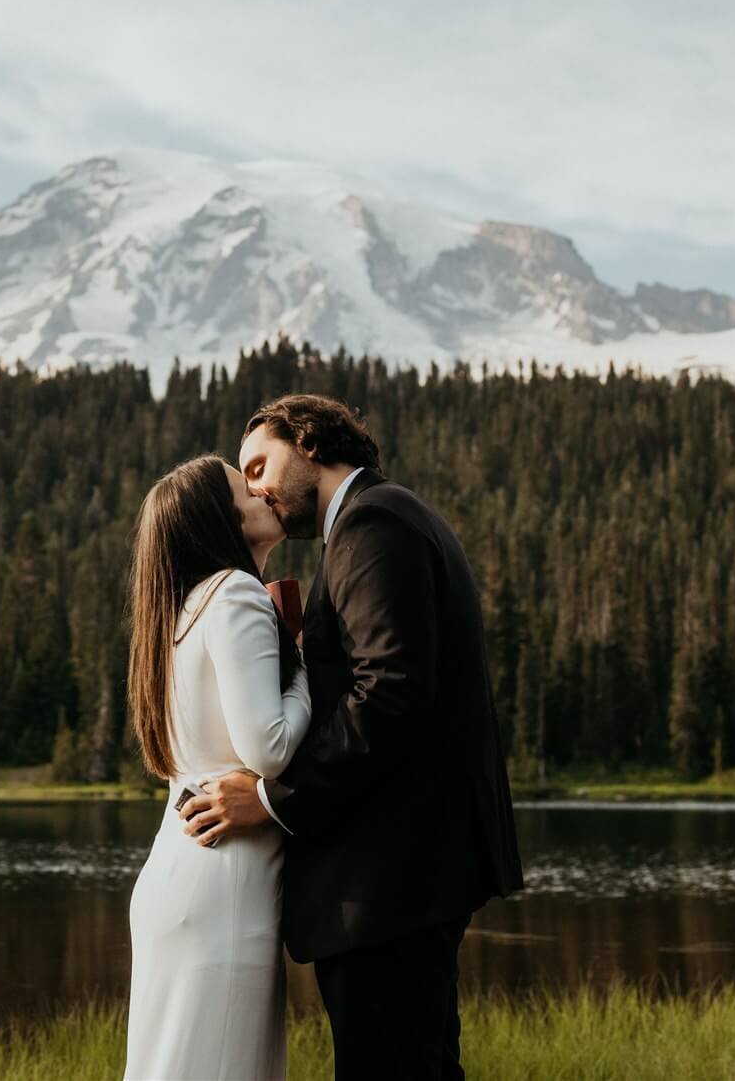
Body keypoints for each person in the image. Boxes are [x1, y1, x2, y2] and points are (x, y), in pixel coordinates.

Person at [180, 394, 523, 1080]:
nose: (254, 490)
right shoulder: (382, 518)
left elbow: (390, 694)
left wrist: (273, 798)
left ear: (307, 441)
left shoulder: (372, 521)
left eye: (259, 465)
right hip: (403, 873)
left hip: (389, 880)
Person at [124, 454, 312, 1080]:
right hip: (224, 886)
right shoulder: (234, 592)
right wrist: (306, 667)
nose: (262, 491)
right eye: (243, 488)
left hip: (175, 872)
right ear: (219, 521)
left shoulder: (174, 615)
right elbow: (270, 748)